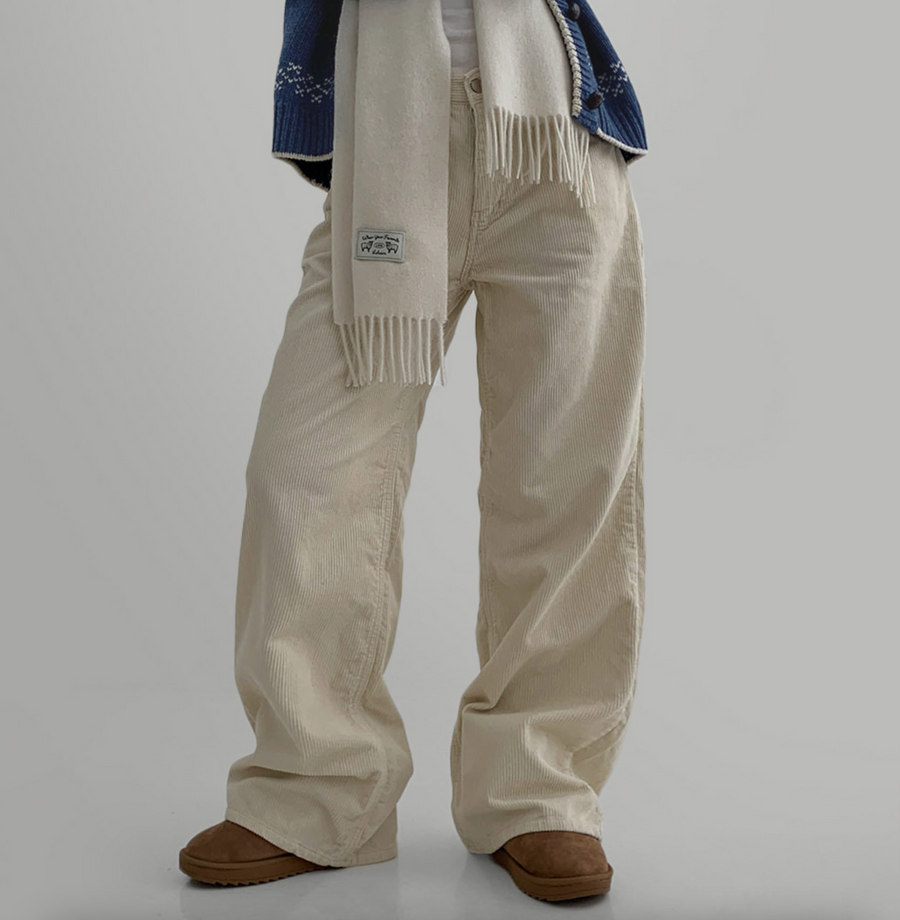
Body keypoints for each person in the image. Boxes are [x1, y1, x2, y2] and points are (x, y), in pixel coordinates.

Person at [178, 0, 648, 903]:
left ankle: (538, 789)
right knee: (304, 471)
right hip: (392, 137)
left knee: (561, 480)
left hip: (553, 136)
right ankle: (315, 791)